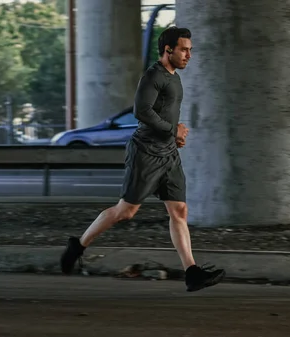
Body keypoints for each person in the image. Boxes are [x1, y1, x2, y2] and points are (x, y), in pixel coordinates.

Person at [60, 26, 226, 292]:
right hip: (146, 153)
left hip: (168, 153)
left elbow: (164, 114)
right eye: (184, 49)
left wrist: (175, 136)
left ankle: (192, 272)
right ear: (168, 50)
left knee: (179, 211)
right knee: (126, 211)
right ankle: (78, 245)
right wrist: (173, 130)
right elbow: (142, 111)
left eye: (190, 50)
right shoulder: (153, 76)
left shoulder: (174, 77)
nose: (188, 55)